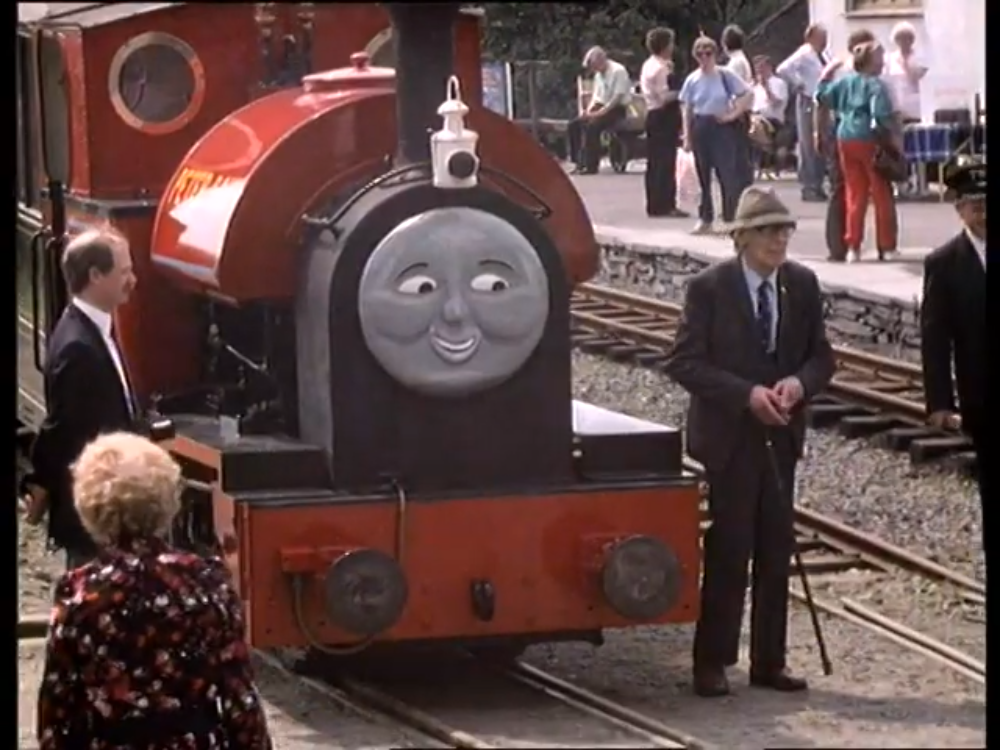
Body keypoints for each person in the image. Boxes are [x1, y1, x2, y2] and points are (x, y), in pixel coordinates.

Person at [664, 186, 835, 698]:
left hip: (781, 437)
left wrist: (798, 384)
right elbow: (684, 361)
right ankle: (712, 660)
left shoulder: (801, 285)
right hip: (730, 440)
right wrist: (746, 395)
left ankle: (769, 660)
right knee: (730, 547)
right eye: (766, 231)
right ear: (741, 238)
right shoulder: (710, 288)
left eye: (784, 231)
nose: (778, 240)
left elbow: (822, 357)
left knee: (776, 548)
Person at [36, 432, 274, 749]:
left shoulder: (80, 592)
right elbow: (240, 700)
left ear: (90, 505)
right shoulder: (208, 583)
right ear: (167, 500)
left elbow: (59, 708)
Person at [20, 227, 140, 570]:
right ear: (95, 275)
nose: (132, 281)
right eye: (124, 272)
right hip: (95, 516)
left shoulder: (89, 329)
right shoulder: (78, 347)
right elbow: (62, 430)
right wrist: (40, 481)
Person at [919, 157, 986, 554]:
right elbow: (935, 337)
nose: (983, 213)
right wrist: (940, 402)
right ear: (960, 209)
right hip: (982, 398)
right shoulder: (944, 264)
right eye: (975, 206)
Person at [814, 28, 901, 262]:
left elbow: (821, 96)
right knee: (881, 193)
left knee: (855, 193)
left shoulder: (845, 82)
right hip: (869, 139)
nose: (882, 62)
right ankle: (886, 246)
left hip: (845, 137)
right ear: (871, 62)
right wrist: (894, 141)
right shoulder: (876, 86)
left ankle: (853, 245)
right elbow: (882, 116)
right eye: (879, 58)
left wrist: (827, 73)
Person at [680, 36, 753, 235]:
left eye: (708, 53)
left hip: (721, 126)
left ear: (715, 54)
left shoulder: (724, 74)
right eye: (700, 54)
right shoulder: (692, 79)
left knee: (727, 173)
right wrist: (687, 136)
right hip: (700, 124)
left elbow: (747, 93)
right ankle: (705, 218)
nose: (704, 57)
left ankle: (730, 218)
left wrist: (733, 114)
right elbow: (687, 108)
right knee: (702, 175)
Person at [776, 24, 830, 201]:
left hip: (821, 102)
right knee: (809, 143)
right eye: (822, 37)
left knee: (820, 142)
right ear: (811, 37)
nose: (825, 41)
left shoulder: (822, 55)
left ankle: (818, 183)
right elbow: (783, 69)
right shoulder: (804, 53)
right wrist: (798, 83)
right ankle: (809, 185)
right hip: (808, 100)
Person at [640, 27, 689, 218]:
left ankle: (654, 203)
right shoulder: (661, 68)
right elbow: (664, 97)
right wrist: (682, 91)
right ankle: (666, 204)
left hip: (652, 115)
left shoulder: (649, 64)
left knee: (654, 161)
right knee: (665, 161)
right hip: (662, 115)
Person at [567, 46, 633, 175]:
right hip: (601, 105)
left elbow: (617, 97)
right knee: (574, 125)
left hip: (616, 108)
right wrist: (588, 111)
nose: (593, 70)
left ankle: (591, 165)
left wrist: (601, 112)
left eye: (594, 66)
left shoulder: (618, 71)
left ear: (601, 60)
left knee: (593, 126)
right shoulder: (598, 74)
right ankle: (578, 162)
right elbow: (596, 97)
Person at [721, 25, 755, 189]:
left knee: (737, 153)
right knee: (741, 152)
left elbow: (732, 89)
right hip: (744, 110)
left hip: (738, 111)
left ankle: (740, 188)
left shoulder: (735, 63)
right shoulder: (741, 60)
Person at [749, 55, 790, 175]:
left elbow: (777, 103)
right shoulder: (754, 86)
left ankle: (766, 155)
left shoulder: (779, 83)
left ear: (769, 67)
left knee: (756, 126)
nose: (759, 71)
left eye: (761, 67)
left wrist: (766, 88)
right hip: (754, 116)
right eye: (757, 68)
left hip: (772, 120)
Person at [884, 22, 928, 126]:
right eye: (900, 38)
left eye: (908, 38)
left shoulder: (920, 58)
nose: (904, 42)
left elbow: (919, 79)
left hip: (916, 108)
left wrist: (906, 64)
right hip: (896, 108)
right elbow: (886, 81)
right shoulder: (889, 59)